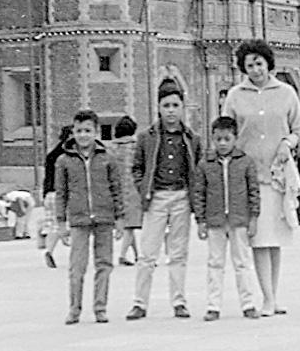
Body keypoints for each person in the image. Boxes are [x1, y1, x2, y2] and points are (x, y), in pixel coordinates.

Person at [222, 39, 300, 317]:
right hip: (249, 176)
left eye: (259, 63)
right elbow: (226, 132)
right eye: (249, 65)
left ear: (268, 63)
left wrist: (289, 141)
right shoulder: (235, 96)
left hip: (277, 175)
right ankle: (267, 298)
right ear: (243, 68)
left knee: (275, 239)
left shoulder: (286, 93)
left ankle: (274, 295)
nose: (255, 69)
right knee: (259, 238)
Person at [126, 80, 202, 321]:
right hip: (156, 196)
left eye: (175, 105)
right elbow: (136, 167)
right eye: (166, 105)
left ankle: (179, 301)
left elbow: (197, 168)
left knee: (178, 253)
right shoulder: (146, 137)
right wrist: (143, 188)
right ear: (158, 107)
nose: (171, 110)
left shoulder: (192, 138)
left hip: (181, 196)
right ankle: (140, 302)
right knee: (147, 253)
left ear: (182, 108)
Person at [56, 109, 124, 325]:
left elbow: (116, 188)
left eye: (88, 130)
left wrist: (120, 217)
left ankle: (100, 307)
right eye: (79, 131)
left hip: (104, 216)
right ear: (73, 132)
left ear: (96, 132)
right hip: (79, 218)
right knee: (77, 266)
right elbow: (61, 192)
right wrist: (60, 222)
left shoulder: (108, 158)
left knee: (104, 264)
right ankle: (74, 308)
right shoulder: (64, 160)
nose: (83, 135)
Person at [193, 116, 261, 321]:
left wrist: (254, 217)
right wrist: (200, 221)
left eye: (227, 139)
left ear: (235, 138)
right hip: (215, 220)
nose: (222, 143)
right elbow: (199, 193)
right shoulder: (205, 164)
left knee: (242, 263)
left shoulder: (246, 162)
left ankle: (248, 303)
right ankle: (213, 305)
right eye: (218, 139)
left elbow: (254, 191)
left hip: (239, 219)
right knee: (215, 263)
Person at [109, 115, 142, 266]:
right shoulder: (136, 146)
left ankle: (137, 255)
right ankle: (122, 255)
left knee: (128, 224)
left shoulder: (110, 148)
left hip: (115, 189)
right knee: (131, 224)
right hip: (133, 188)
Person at [43, 125, 73, 269]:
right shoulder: (67, 156)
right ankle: (66, 246)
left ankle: (50, 250)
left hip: (49, 193)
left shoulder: (52, 154)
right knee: (65, 223)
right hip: (60, 193)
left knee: (53, 224)